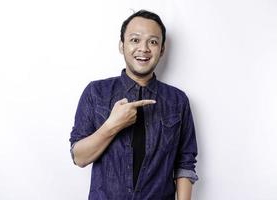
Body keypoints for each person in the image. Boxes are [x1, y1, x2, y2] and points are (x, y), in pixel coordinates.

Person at [69, 9, 198, 200]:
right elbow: (79, 157)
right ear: (122, 45)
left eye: (153, 42)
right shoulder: (96, 93)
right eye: (135, 40)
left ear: (161, 50)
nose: (144, 48)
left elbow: (185, 164)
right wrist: (113, 125)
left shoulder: (178, 101)